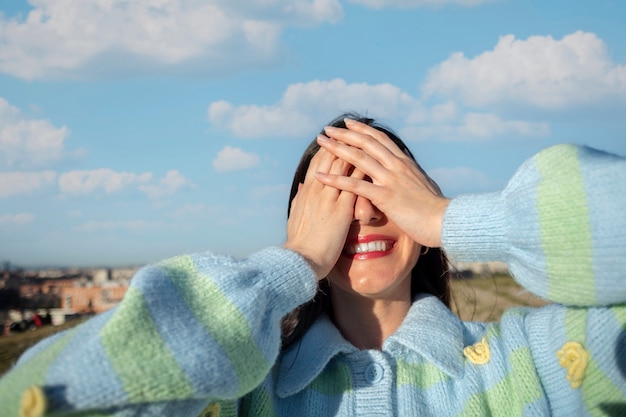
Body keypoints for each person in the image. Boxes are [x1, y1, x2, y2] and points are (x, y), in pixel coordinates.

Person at [0, 114, 624, 417]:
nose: (366, 217)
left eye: (384, 191)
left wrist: (449, 220)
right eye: (337, 201)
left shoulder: (536, 365)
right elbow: (49, 400)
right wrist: (292, 264)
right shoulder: (247, 394)